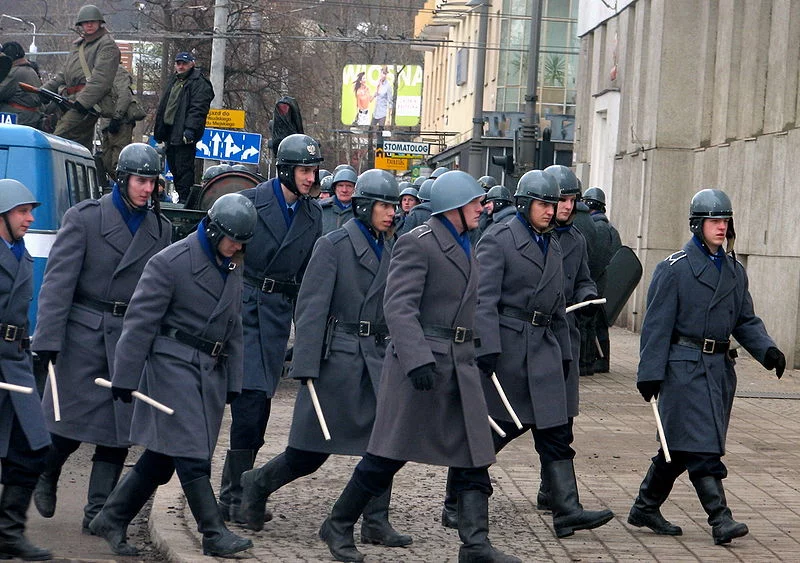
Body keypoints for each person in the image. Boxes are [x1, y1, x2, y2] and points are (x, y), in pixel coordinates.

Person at [319, 170, 520, 563]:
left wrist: (484, 350)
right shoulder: (418, 244)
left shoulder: (468, 242)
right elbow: (399, 307)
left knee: (475, 454)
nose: (483, 207)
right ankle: (339, 523)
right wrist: (416, 361)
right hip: (422, 367)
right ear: (455, 207)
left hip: (460, 365)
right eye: (476, 202)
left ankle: (475, 545)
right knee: (387, 455)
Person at [239, 170, 411, 549]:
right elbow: (312, 308)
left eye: (394, 206)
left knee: (385, 444)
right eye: (384, 205)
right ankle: (255, 485)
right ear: (365, 207)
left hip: (378, 358)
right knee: (309, 452)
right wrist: (306, 367)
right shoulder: (333, 245)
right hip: (339, 361)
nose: (391, 213)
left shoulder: (395, 247)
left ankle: (375, 520)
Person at [441, 170, 613, 539]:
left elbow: (574, 282)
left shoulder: (555, 242)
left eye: (554, 205)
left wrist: (585, 298)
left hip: (547, 347)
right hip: (509, 349)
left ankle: (566, 510)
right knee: (493, 432)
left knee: (555, 432)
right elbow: (482, 298)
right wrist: (486, 347)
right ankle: (454, 504)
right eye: (543, 204)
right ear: (524, 204)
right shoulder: (499, 239)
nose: (551, 211)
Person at [89, 193, 257, 558]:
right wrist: (125, 376)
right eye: (232, 240)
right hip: (171, 364)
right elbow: (139, 322)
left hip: (209, 369)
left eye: (242, 242)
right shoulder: (170, 262)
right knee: (192, 450)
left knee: (164, 455)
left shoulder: (232, 261)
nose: (237, 247)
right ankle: (212, 531)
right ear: (213, 231)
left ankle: (111, 517)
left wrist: (234, 379)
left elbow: (235, 324)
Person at [628, 188, 785, 545]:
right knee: (701, 447)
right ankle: (720, 518)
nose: (720, 226)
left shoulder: (733, 271)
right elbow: (656, 325)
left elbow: (744, 319)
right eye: (713, 220)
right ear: (697, 225)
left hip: (718, 371)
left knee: (680, 447)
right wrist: (649, 373)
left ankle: (645, 505)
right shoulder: (674, 269)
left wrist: (768, 351)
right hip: (683, 367)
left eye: (725, 220)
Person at [31, 143, 171, 535]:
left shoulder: (161, 230)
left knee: (118, 431)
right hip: (84, 333)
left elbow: (162, 293)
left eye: (153, 182)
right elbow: (58, 284)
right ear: (123, 180)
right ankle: (47, 470)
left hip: (131, 339)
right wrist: (47, 339)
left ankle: (99, 512)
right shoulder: (85, 219)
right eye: (141, 181)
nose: (148, 189)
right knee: (67, 422)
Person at [217, 134, 323, 527]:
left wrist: (308, 332)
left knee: (259, 406)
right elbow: (225, 257)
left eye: (313, 171)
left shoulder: (313, 216)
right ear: (285, 171)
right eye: (304, 171)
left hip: (278, 315)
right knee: (248, 406)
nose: (311, 179)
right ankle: (234, 495)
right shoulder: (252, 202)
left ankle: (238, 492)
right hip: (244, 309)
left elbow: (307, 278)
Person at [534, 164, 600, 510]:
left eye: (572, 199)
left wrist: (588, 295)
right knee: (505, 424)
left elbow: (584, 278)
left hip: (564, 339)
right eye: (561, 200)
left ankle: (554, 495)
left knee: (561, 424)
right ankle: (460, 494)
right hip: (529, 339)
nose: (566, 207)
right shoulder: (521, 236)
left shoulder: (576, 239)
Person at [0, 179, 52, 561]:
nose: (30, 218)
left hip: (16, 362)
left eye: (30, 211)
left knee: (34, 448)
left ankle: (8, 532)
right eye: (22, 211)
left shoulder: (21, 253)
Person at [42, 4, 120, 150]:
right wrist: (43, 91)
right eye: (85, 22)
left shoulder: (107, 45)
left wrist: (82, 103)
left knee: (57, 141)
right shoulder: (78, 46)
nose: (89, 24)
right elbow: (63, 75)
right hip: (69, 101)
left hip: (87, 104)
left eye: (93, 21)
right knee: (79, 149)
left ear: (99, 22)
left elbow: (101, 80)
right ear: (81, 25)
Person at [153, 51, 214, 203]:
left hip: (184, 132)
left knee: (184, 167)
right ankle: (183, 197)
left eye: (184, 63)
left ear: (192, 64)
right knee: (174, 166)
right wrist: (160, 130)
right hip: (170, 131)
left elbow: (198, 109)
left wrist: (190, 130)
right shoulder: (174, 80)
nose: (181, 66)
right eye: (178, 63)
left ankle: (185, 199)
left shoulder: (199, 83)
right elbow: (165, 106)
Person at [583, 187, 622, 373]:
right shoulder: (609, 229)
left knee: (594, 324)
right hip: (604, 283)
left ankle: (595, 360)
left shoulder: (597, 228)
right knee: (599, 323)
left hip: (596, 283)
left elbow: (594, 261)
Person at [99, 66, 138, 180]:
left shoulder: (118, 72)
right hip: (107, 123)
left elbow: (124, 95)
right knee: (107, 163)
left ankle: (125, 192)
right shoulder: (103, 72)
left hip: (120, 123)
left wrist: (117, 117)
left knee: (119, 164)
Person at [0, 42, 43, 129]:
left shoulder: (15, 72)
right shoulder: (29, 69)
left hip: (19, 116)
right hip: (31, 116)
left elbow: (1, 92)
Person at [320, 167, 357, 234]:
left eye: (349, 186)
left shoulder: (360, 212)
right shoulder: (321, 209)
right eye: (340, 185)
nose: (344, 190)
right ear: (334, 188)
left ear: (355, 189)